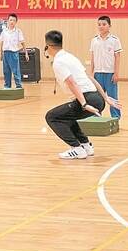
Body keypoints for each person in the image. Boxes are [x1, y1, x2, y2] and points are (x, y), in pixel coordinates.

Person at [44, 30, 120, 159]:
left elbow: (72, 82)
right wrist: (105, 98)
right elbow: (89, 78)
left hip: (87, 99)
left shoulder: (58, 62)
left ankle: (77, 148)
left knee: (51, 116)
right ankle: (86, 145)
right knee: (67, 117)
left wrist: (84, 104)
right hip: (97, 98)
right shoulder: (70, 57)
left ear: (48, 46)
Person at [90, 16, 123, 119]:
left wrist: (116, 73)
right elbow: (92, 57)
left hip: (110, 74)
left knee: (113, 97)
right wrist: (91, 73)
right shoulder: (94, 40)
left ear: (109, 26)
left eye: (104, 24)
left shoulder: (114, 40)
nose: (101, 26)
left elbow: (117, 57)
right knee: (97, 98)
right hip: (98, 73)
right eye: (99, 24)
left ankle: (116, 117)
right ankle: (96, 116)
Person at [0, 13, 29, 89]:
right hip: (5, 53)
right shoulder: (4, 31)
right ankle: (7, 86)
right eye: (10, 20)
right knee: (6, 71)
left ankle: (18, 86)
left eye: (14, 20)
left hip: (14, 53)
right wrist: (1, 53)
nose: (12, 22)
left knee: (16, 71)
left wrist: (26, 53)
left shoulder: (18, 31)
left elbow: (23, 43)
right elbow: (2, 42)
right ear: (8, 21)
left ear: (16, 22)